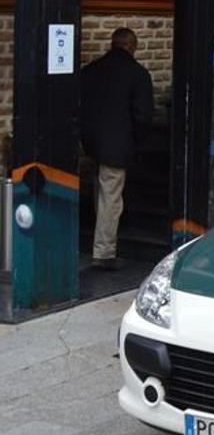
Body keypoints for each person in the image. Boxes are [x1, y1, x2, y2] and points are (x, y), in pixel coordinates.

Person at [81, 28, 154, 270]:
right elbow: (143, 116)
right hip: (118, 146)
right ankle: (103, 252)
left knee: (102, 196)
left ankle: (98, 243)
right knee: (111, 199)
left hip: (92, 144)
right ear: (132, 46)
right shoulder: (138, 74)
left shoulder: (91, 71)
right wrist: (135, 140)